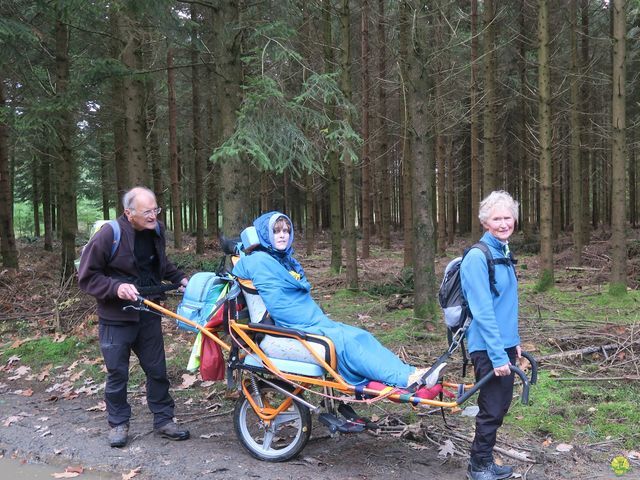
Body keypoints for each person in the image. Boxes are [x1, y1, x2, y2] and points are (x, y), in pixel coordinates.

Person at [232, 211, 445, 392]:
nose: (282, 236)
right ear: (265, 235)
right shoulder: (259, 260)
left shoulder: (285, 261)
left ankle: (409, 371)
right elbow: (242, 269)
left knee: (362, 335)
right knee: (346, 342)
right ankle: (405, 380)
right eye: (276, 231)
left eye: (286, 231)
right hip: (295, 323)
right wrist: (243, 247)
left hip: (312, 318)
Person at [78, 186, 190, 448]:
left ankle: (163, 420)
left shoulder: (156, 231)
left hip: (149, 312)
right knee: (117, 374)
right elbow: (87, 277)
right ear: (129, 213)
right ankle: (118, 423)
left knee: (157, 370)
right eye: (147, 211)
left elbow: (160, 264)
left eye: (156, 210)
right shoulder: (109, 235)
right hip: (116, 319)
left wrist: (180, 279)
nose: (154, 216)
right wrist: (116, 287)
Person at [460, 191, 521, 480]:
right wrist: (498, 355)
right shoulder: (477, 257)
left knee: (499, 406)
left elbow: (506, 304)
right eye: (497, 218)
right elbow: (483, 311)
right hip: (487, 347)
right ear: (485, 222)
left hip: (503, 345)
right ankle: (479, 465)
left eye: (508, 217)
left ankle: (485, 461)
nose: (503, 223)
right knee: (492, 407)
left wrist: (515, 343)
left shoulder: (503, 251)